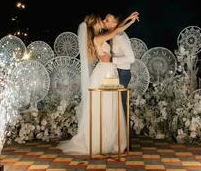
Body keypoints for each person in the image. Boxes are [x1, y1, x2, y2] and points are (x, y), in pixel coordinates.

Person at [57, 13, 139, 154]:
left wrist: (127, 19)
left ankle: (111, 138)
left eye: (105, 20)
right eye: (101, 20)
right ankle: (106, 139)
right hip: (106, 72)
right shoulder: (98, 38)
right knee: (107, 106)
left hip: (108, 71)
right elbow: (117, 30)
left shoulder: (100, 36)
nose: (102, 21)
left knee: (111, 106)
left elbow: (116, 28)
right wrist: (131, 22)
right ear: (95, 24)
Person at [102, 11, 138, 150]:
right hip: (117, 73)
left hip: (123, 73)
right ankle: (120, 140)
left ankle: (127, 144)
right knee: (117, 107)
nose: (104, 21)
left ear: (114, 24)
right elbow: (120, 25)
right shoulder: (114, 33)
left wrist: (112, 60)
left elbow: (131, 58)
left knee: (122, 107)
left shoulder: (120, 37)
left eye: (107, 19)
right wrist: (129, 18)